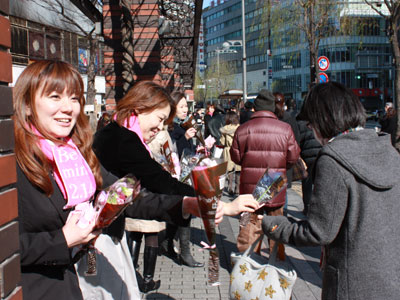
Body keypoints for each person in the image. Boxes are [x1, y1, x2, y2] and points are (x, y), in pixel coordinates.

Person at [13, 61, 209, 300]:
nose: (68, 108)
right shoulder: (12, 163)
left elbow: (125, 198)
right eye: (55, 96)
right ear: (28, 103)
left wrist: (184, 205)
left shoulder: (78, 153)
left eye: (74, 98)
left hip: (82, 274)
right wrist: (62, 240)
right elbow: (8, 249)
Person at [262, 82, 400, 300]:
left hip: (350, 282)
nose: (310, 129)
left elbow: (318, 231)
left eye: (310, 124)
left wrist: (272, 223)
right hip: (390, 278)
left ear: (322, 120)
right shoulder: (388, 151)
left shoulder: (333, 159)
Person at [230, 89, 300, 257]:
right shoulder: (285, 129)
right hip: (275, 182)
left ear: (256, 108)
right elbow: (293, 157)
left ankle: (246, 265)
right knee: (277, 225)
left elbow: (236, 157)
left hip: (249, 188)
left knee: (247, 226)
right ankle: (277, 263)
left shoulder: (243, 129)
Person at [163, 91, 204, 268]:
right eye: (181, 106)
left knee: (180, 210)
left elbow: (187, 153)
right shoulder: (169, 128)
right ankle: (185, 252)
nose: (185, 109)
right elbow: (171, 152)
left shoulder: (183, 126)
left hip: (186, 175)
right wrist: (185, 138)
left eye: (186, 106)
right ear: (172, 108)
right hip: (176, 177)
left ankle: (167, 242)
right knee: (184, 211)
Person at [296, 101, 322, 215]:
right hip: (320, 155)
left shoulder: (300, 123)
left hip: (306, 157)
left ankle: (307, 208)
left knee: (306, 183)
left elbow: (298, 141)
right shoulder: (320, 121)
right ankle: (318, 209)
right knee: (320, 182)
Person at [219, 111, 241, 196]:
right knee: (238, 170)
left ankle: (230, 187)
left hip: (228, 150)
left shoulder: (225, 129)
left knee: (229, 170)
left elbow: (222, 142)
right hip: (238, 149)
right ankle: (237, 188)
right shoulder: (240, 128)